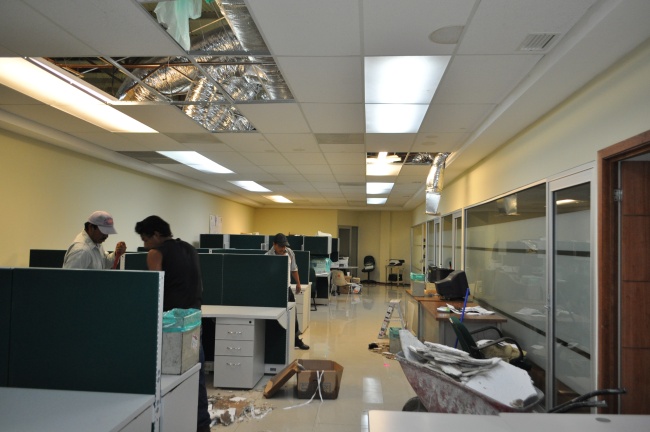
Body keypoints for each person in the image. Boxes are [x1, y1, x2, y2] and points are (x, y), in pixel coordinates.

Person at [134, 215, 211, 432]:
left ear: (156, 234)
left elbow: (155, 289)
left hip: (170, 328)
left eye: (145, 239)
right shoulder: (190, 249)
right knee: (195, 376)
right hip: (193, 322)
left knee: (167, 381)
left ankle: (169, 424)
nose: (144, 245)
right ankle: (201, 425)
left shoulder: (155, 253)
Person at [266, 233, 310, 350]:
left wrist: (298, 283)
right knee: (276, 318)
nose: (283, 248)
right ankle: (277, 343)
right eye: (281, 246)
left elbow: (294, 269)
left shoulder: (289, 252)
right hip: (274, 291)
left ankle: (296, 340)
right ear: (274, 244)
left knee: (293, 315)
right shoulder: (268, 256)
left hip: (287, 289)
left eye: (284, 246)